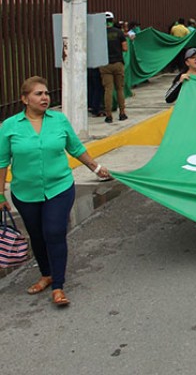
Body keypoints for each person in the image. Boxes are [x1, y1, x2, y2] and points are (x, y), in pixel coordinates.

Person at [0, 77, 112, 307]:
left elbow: (76, 148)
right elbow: (2, 162)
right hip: (25, 192)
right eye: (38, 94)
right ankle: (46, 274)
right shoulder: (10, 126)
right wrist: (0, 194)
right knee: (37, 236)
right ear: (24, 99)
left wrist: (96, 167)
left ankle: (58, 286)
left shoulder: (59, 120)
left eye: (46, 93)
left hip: (59, 188)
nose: (44, 98)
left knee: (54, 231)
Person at [99, 11, 128, 124]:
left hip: (104, 64)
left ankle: (109, 115)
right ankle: (122, 113)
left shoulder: (99, 34)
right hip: (118, 63)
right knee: (119, 89)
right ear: (113, 20)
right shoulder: (119, 33)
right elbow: (125, 48)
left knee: (108, 90)